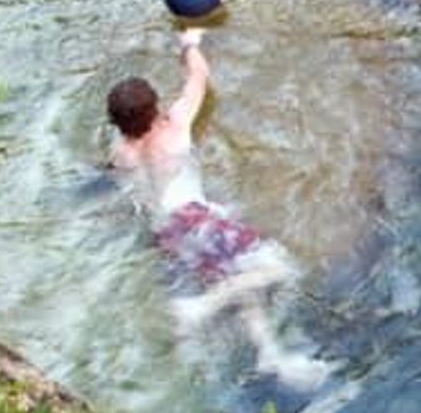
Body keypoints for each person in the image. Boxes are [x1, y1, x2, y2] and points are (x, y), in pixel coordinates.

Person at [107, 28, 330, 390]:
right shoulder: (175, 126)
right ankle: (201, 308)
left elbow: (129, 195)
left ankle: (270, 353)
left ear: (116, 123)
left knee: (239, 286)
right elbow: (199, 77)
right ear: (156, 109)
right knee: (282, 266)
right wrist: (190, 42)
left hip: (165, 233)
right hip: (195, 219)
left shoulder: (120, 156)